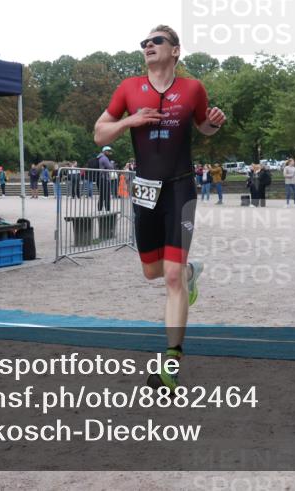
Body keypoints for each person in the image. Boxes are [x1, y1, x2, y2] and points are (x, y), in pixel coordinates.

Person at [93, 24, 226, 391]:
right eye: (144, 43)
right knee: (152, 272)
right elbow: (99, 132)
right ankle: (190, 274)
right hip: (146, 191)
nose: (148, 46)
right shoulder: (128, 89)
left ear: (175, 50)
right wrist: (130, 121)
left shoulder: (193, 88)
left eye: (157, 41)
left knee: (170, 276)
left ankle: (170, 362)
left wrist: (214, 123)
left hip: (181, 188)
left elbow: (203, 127)